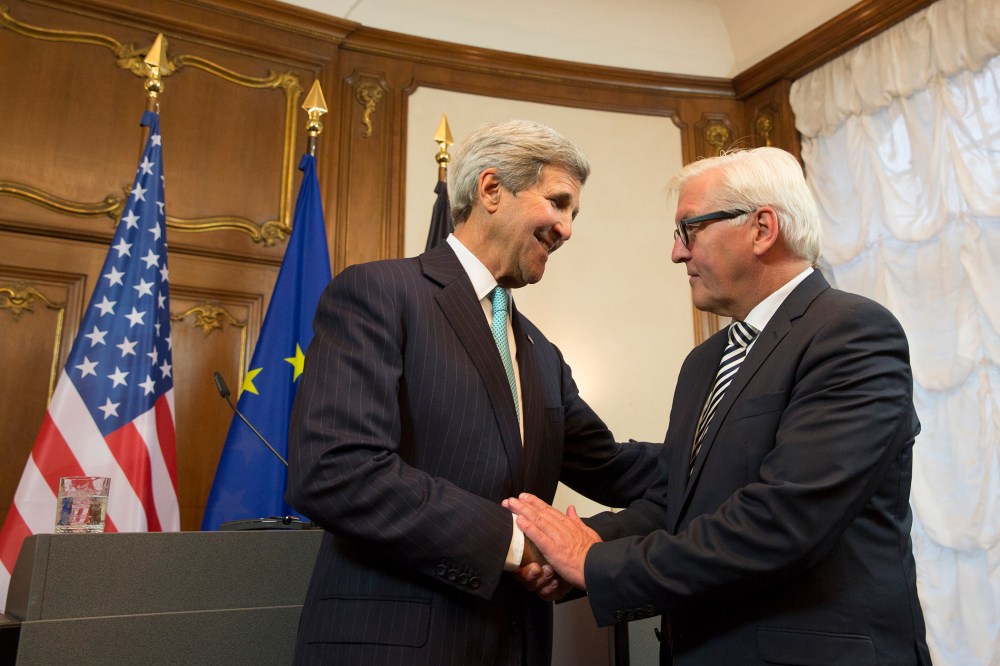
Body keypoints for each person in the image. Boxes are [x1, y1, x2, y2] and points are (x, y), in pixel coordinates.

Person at [506, 147, 932, 665]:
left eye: (690, 229)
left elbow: (781, 522)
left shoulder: (851, 334)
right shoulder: (705, 362)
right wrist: (575, 547)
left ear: (762, 229)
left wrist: (592, 561)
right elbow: (672, 505)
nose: (677, 254)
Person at [285, 119, 661, 665]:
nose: (567, 228)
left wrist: (725, 452)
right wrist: (520, 543)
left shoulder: (540, 351)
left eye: (573, 213)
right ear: (491, 190)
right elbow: (336, 471)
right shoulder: (379, 294)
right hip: (393, 647)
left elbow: (613, 467)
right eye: (558, 203)